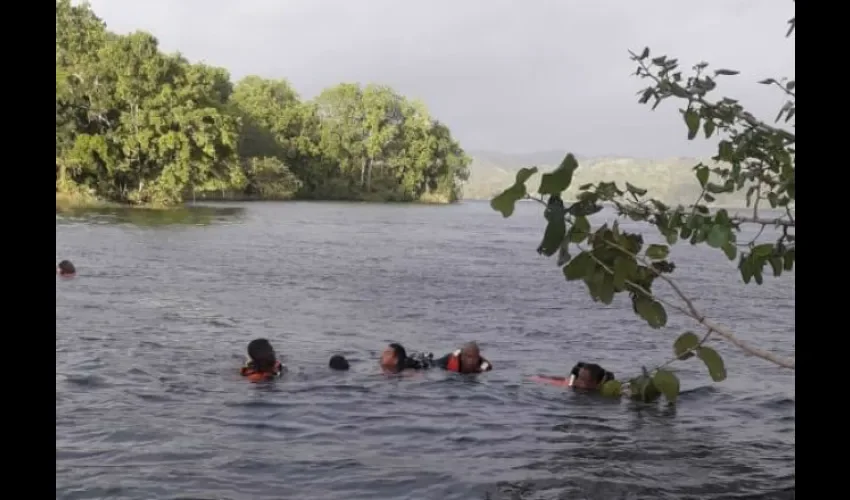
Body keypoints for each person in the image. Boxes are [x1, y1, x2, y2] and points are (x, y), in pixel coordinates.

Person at [531, 362, 615, 390]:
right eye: (577, 377)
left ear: (596, 384)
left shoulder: (602, 388)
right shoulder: (572, 383)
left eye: (582, 380)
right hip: (538, 380)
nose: (577, 381)